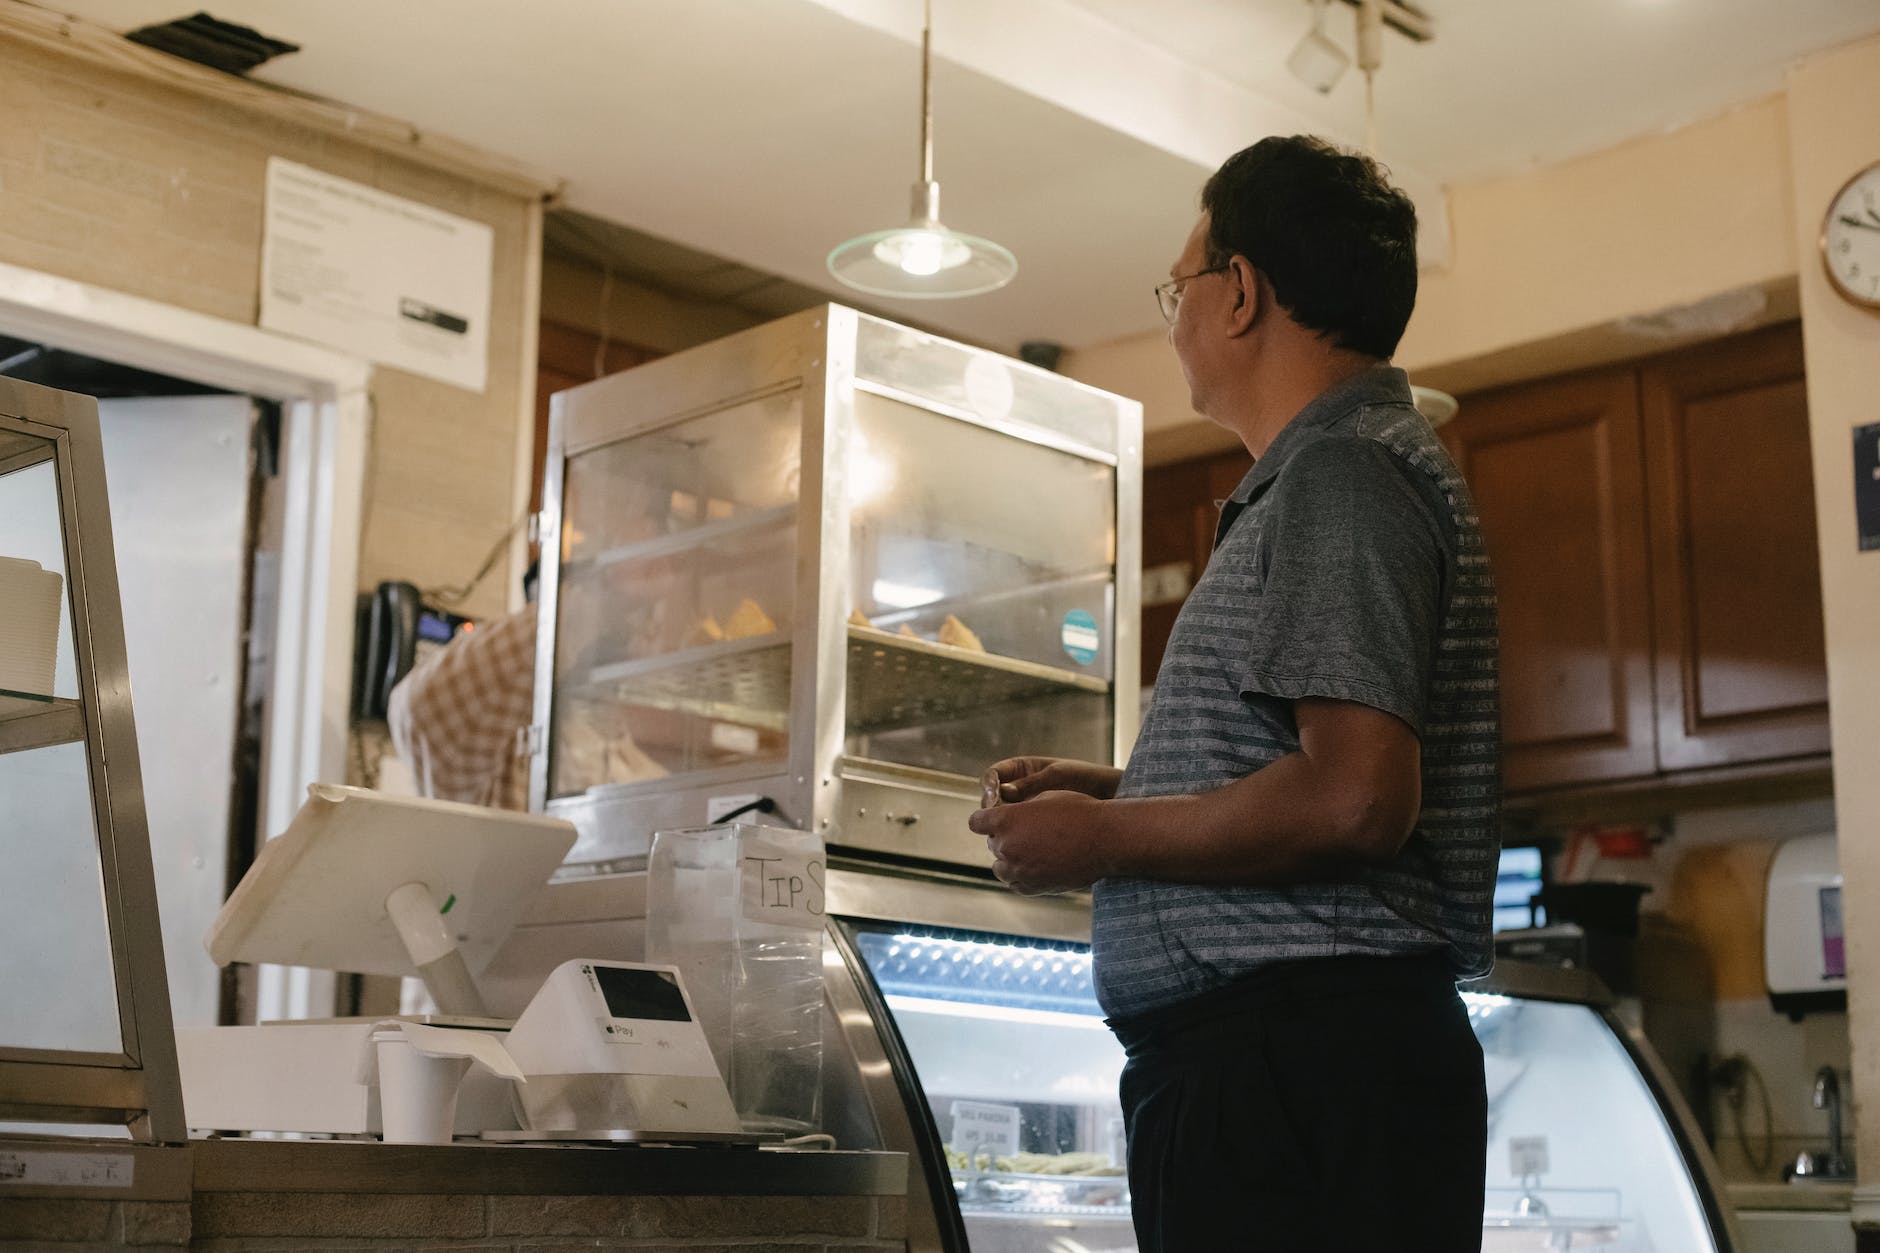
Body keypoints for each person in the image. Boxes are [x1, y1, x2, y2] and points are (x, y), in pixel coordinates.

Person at [969, 135, 1500, 1252]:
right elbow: (1317, 769)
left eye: (1179, 286)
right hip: (1293, 1069)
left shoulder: (1340, 473)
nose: (1173, 318)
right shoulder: (1334, 472)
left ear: (1242, 291)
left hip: (1289, 1072)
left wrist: (1104, 837)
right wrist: (1119, 787)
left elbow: (1355, 799)